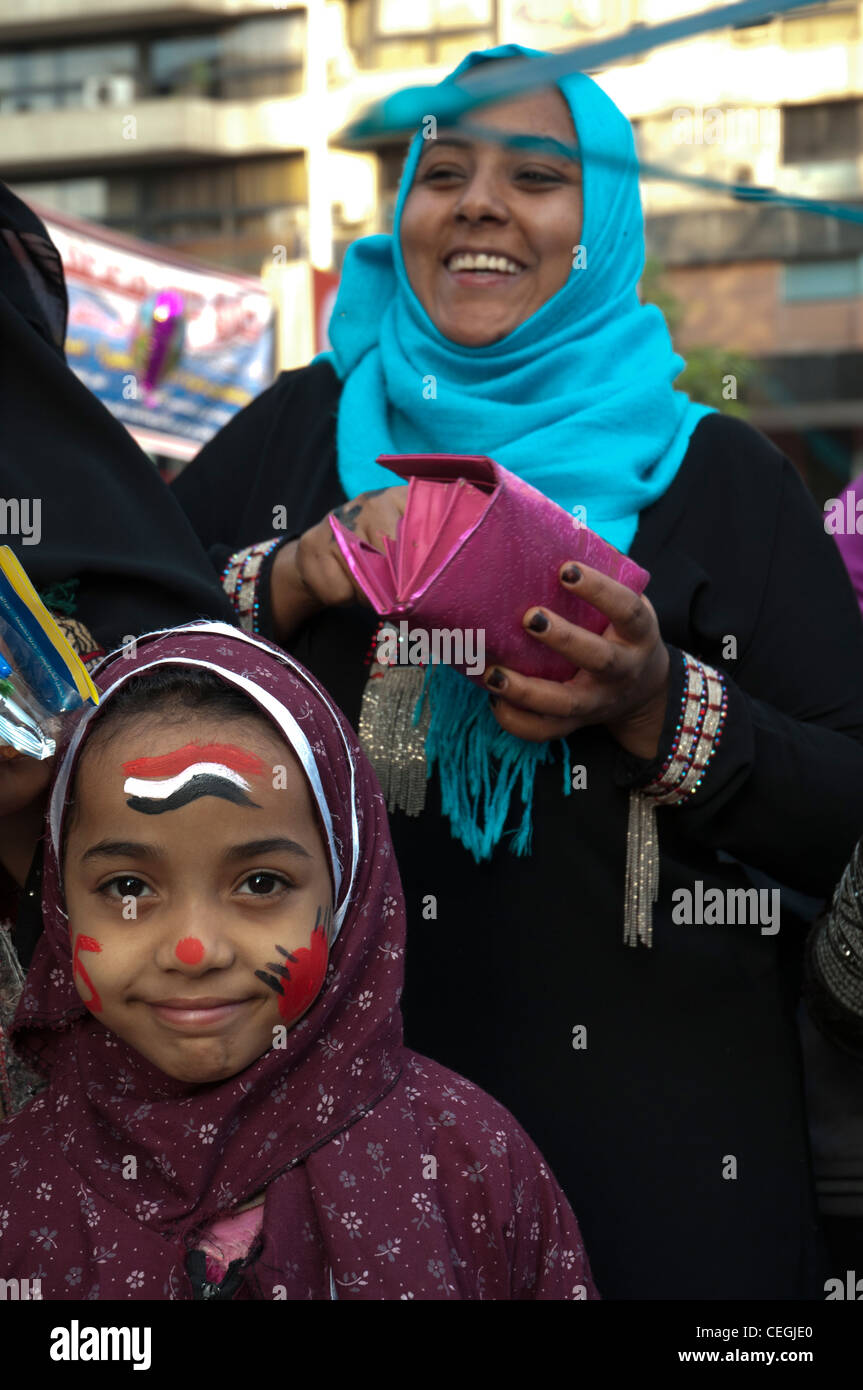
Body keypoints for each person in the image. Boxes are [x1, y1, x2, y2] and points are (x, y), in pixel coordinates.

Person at [172, 45, 863, 1298]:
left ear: (601, 227)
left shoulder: (720, 478)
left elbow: (847, 807)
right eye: (443, 174)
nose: (479, 204)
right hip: (323, 1170)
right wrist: (292, 581)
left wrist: (655, 706)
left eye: (537, 178)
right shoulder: (294, 431)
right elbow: (106, 683)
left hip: (658, 1178)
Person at [0, 622, 598, 1300]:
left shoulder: (468, 1164)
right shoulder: (18, 1191)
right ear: (60, 902)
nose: (195, 951)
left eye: (260, 884)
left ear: (348, 889)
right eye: (129, 888)